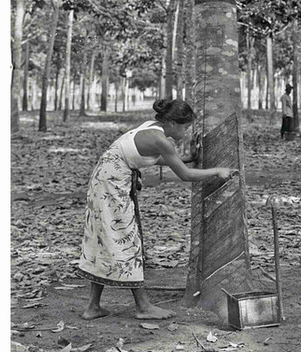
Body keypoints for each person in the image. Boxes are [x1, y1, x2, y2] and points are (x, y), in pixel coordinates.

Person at [77, 97, 235, 320]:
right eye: (185, 127)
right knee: (127, 238)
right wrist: (217, 171)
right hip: (110, 185)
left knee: (105, 238)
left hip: (104, 179)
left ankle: (93, 306)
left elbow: (147, 156)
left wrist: (187, 157)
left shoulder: (151, 129)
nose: (186, 132)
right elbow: (185, 175)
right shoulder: (161, 139)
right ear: (172, 123)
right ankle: (143, 306)